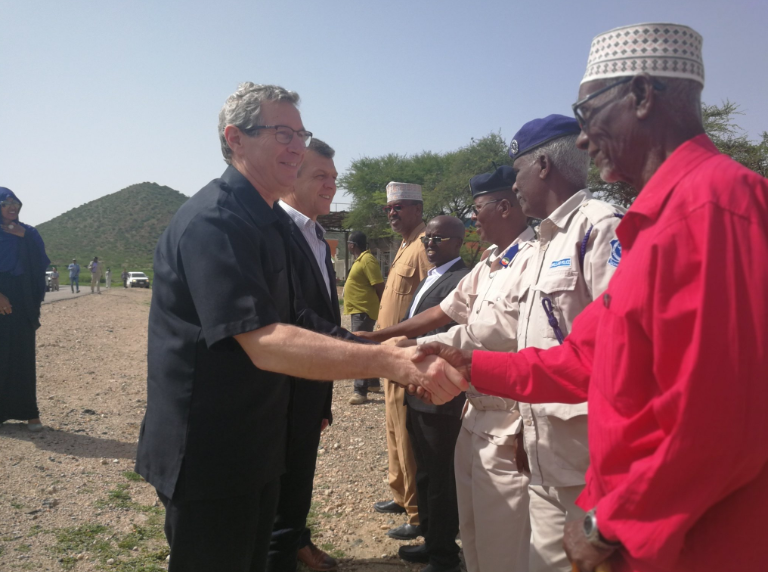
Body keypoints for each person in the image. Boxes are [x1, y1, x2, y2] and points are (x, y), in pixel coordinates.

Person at [413, 23, 768, 572]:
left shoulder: (715, 207)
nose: (582, 139)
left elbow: (728, 419)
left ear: (643, 96)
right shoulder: (658, 222)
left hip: (691, 542)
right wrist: (470, 363)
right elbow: (583, 360)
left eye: (587, 116)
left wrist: (610, 521)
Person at [135, 82, 466, 572]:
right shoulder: (216, 221)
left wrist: (372, 340)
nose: (296, 146)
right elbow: (265, 340)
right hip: (211, 452)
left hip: (258, 443)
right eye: (282, 132)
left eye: (300, 133)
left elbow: (302, 320)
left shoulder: (268, 221)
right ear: (236, 138)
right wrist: (387, 361)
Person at [372, 166, 536, 572]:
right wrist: (379, 339)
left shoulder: (538, 259)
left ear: (503, 207)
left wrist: (392, 348)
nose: (473, 218)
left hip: (512, 419)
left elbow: (530, 348)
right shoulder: (492, 262)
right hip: (474, 415)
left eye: (477, 209)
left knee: (506, 539)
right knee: (476, 531)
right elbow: (440, 312)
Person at [268, 138, 342, 572]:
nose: (330, 186)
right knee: (280, 488)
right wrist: (368, 349)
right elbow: (294, 316)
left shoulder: (316, 235)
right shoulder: (274, 229)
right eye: (320, 176)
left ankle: (297, 539)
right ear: (292, 175)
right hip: (281, 389)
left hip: (311, 388)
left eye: (333, 178)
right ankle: (283, 548)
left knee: (298, 482)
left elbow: (321, 311)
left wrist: (324, 398)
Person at [392, 215, 468, 572]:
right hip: (417, 391)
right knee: (423, 470)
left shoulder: (462, 280)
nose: (430, 244)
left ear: (457, 241)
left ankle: (444, 555)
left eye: (438, 238)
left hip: (441, 395)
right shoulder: (432, 276)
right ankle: (429, 537)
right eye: (427, 239)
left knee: (441, 477)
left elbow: (450, 334)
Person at [371, 181, 432, 540]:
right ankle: (400, 494)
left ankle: (417, 513)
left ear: (417, 211)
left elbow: (432, 303)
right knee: (394, 430)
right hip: (386, 355)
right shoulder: (405, 246)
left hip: (405, 355)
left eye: (400, 208)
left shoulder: (425, 246)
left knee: (408, 436)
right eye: (389, 209)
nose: (393, 213)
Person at [0, 188, 50, 432]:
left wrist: (25, 238)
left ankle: (30, 413)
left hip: (23, 298)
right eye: (5, 203)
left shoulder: (29, 232)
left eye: (15, 203)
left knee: (23, 355)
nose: (12, 207)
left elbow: (42, 262)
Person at [344, 230, 384, 404]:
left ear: (352, 245)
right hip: (358, 309)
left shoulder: (367, 260)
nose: (348, 246)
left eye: (348, 244)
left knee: (360, 348)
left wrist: (383, 307)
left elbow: (379, 285)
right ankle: (373, 383)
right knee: (368, 346)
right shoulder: (360, 260)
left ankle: (360, 391)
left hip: (364, 310)